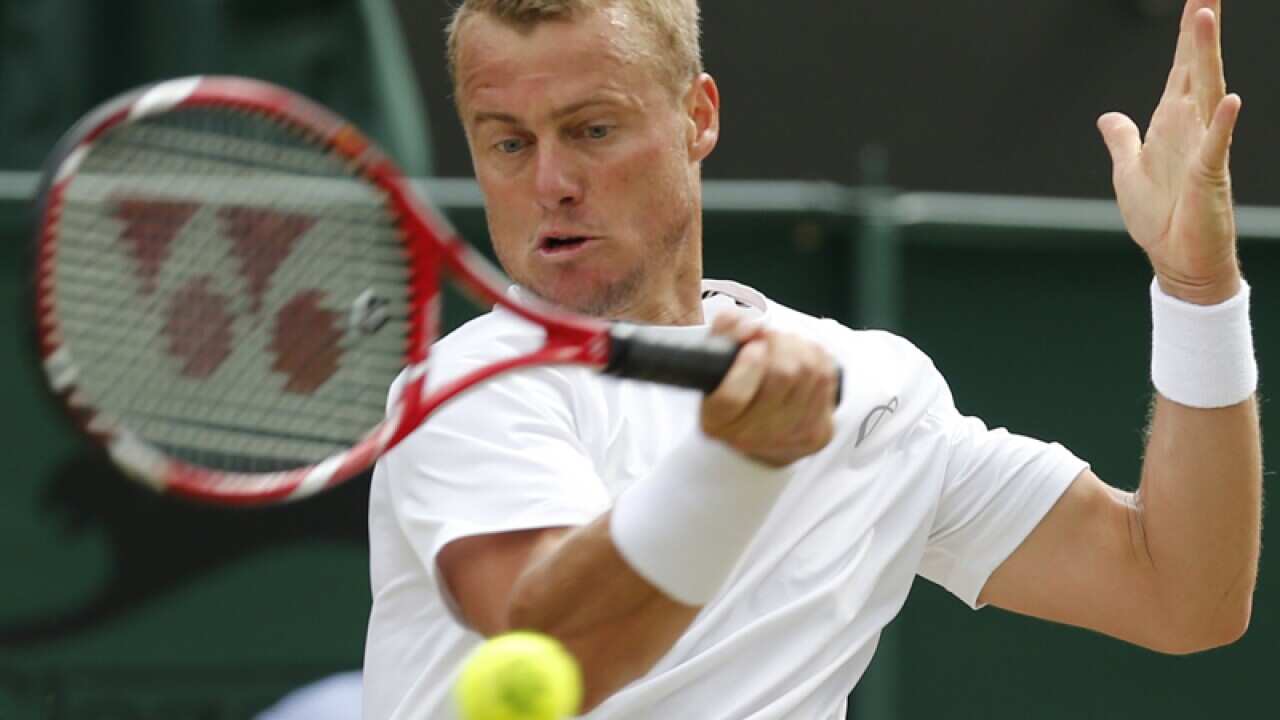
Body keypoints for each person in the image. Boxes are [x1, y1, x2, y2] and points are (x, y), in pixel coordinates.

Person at [362, 1, 1262, 717]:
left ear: (696, 117)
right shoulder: (467, 391)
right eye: (508, 143)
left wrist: (1198, 290)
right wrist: (740, 460)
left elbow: (1182, 594)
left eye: (592, 130)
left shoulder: (871, 388)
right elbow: (560, 655)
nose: (550, 181)